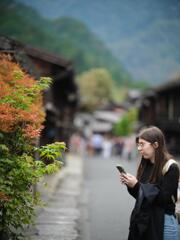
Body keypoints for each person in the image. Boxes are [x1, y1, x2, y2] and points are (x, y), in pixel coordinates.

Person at [119, 126, 180, 240]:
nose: (139, 148)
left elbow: (163, 199)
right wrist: (130, 185)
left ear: (155, 145)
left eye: (142, 144)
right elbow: (141, 197)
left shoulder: (171, 167)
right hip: (145, 220)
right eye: (138, 144)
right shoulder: (145, 165)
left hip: (164, 222)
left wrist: (137, 185)